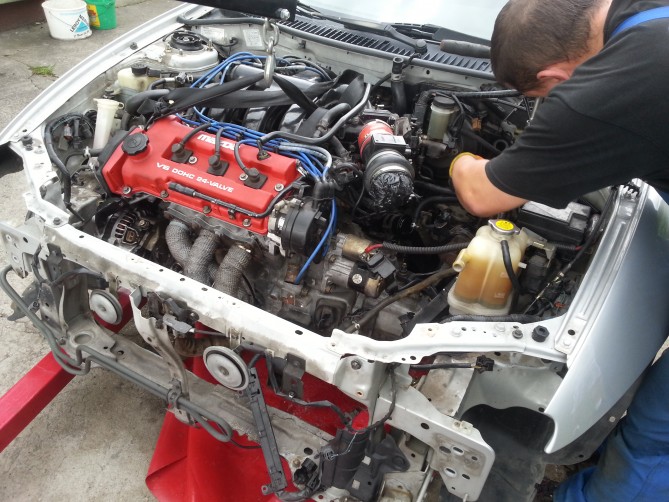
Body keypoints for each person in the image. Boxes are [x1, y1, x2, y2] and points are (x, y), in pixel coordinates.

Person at [449, 0, 669, 500]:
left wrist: (458, 157)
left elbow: (481, 195)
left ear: (552, 75)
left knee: (656, 441)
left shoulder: (620, 83)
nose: (548, 103)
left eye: (542, 96)